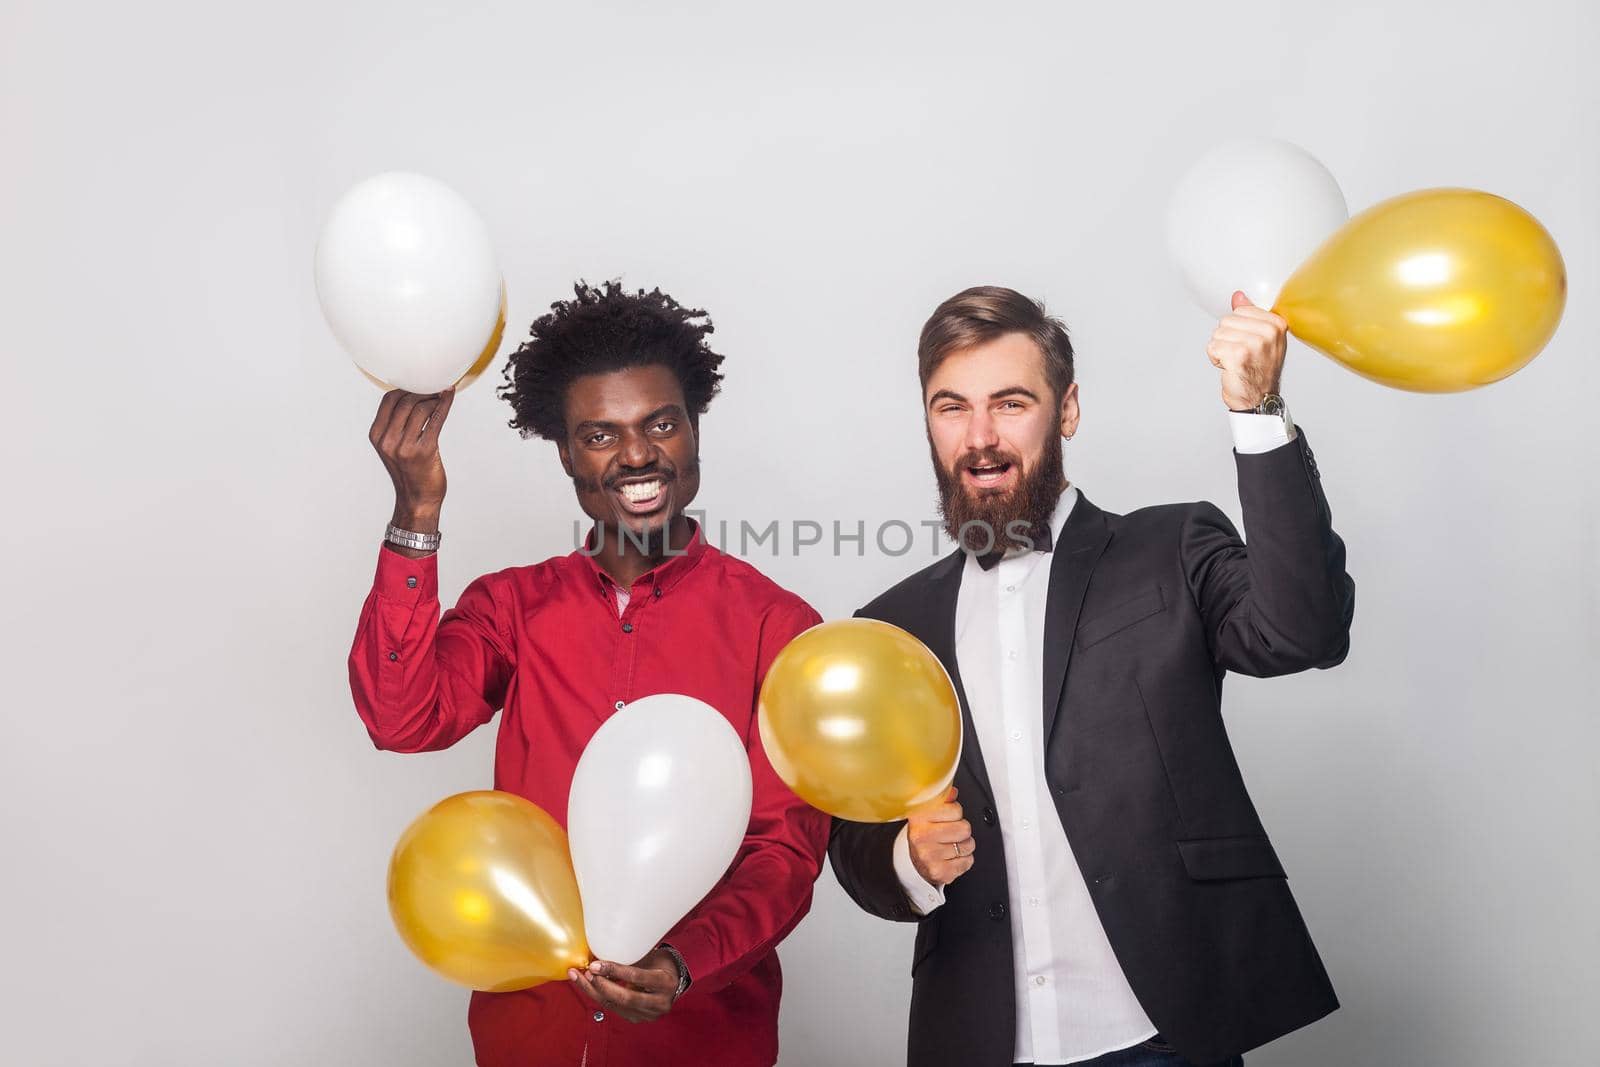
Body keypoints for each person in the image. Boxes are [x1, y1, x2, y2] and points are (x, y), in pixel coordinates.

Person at [828, 286, 1354, 1067]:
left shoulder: (1172, 546)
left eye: (1010, 403)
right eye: (951, 407)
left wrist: (1259, 409)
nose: (980, 437)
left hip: (1163, 1033)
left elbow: (1302, 630)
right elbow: (853, 841)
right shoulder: (887, 629)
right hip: (979, 1040)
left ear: (1067, 409)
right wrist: (909, 859)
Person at [348, 281, 829, 1067]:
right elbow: (401, 717)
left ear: (695, 432)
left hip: (702, 1043)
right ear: (567, 452)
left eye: (660, 424)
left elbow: (785, 851)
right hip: (530, 1038)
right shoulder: (511, 608)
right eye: (601, 434)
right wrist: (416, 512)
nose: (637, 455)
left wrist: (684, 962)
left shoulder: (776, 628)